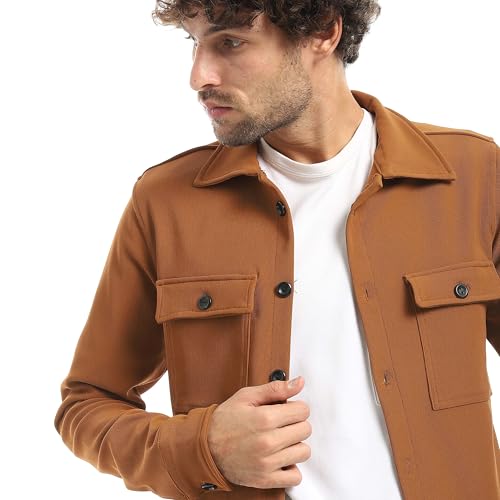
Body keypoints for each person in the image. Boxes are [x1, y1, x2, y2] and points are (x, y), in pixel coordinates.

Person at [54, 1, 500, 499]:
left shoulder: (472, 175)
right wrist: (204, 447)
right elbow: (86, 405)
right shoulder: (165, 203)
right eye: (194, 43)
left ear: (323, 32)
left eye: (230, 42)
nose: (199, 76)